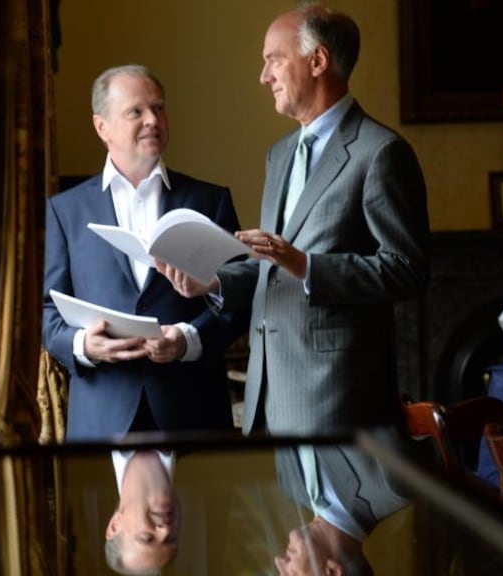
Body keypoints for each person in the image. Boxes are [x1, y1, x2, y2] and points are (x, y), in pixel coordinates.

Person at [157, 5, 430, 437]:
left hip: (338, 396)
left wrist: (307, 265)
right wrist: (214, 282)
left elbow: (408, 271)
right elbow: (274, 268)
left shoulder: (381, 153)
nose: (264, 76)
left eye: (274, 59)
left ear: (317, 61)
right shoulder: (279, 154)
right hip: (268, 392)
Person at [43, 64, 248, 441]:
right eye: (136, 111)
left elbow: (238, 300)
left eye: (158, 108)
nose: (153, 119)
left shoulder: (209, 200)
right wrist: (82, 345)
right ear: (101, 126)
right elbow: (45, 311)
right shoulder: (64, 210)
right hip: (101, 419)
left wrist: (188, 339)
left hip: (192, 413)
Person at [273, 435, 410, 575]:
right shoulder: (393, 484)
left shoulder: (288, 484)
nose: (279, 560)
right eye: (292, 575)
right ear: (332, 572)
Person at [104, 450, 180, 574]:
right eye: (170, 539)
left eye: (147, 538)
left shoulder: (78, 439)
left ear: (115, 525)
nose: (165, 530)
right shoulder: (215, 439)